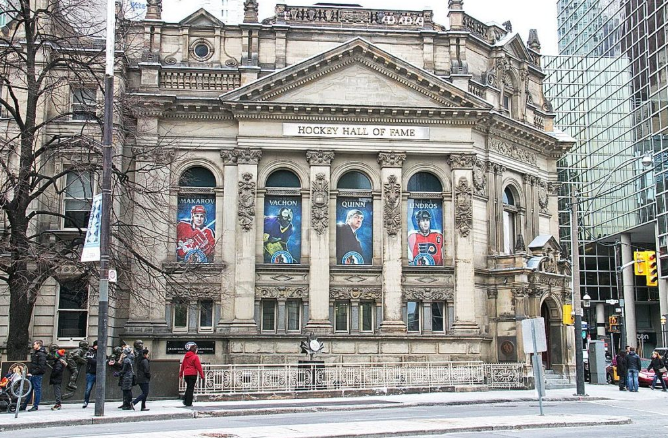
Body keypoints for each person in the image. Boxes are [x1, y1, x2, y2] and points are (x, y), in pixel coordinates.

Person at [20, 340, 48, 411]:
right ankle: (24, 405)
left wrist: (33, 373)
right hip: (34, 375)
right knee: (30, 390)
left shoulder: (41, 354)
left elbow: (41, 367)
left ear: (38, 345)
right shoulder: (37, 353)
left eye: (34, 344)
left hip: (36, 375)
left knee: (36, 390)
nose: (33, 346)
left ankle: (35, 406)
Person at [179, 342, 204, 407]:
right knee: (191, 388)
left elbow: (183, 365)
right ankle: (188, 402)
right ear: (195, 350)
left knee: (188, 387)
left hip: (186, 374)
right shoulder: (195, 357)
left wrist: (181, 373)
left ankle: (185, 400)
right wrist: (202, 375)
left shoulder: (186, 356)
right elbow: (199, 366)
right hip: (192, 374)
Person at [82, 340, 98, 408]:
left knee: (99, 389)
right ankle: (86, 401)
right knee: (88, 388)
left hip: (98, 373)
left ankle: (98, 401)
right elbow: (90, 360)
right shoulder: (90, 352)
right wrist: (99, 360)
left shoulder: (101, 352)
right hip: (91, 373)